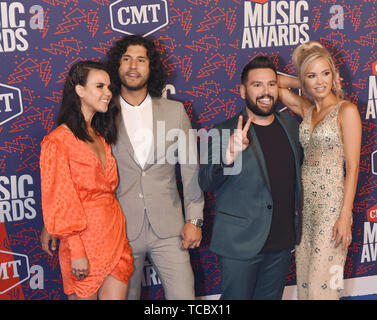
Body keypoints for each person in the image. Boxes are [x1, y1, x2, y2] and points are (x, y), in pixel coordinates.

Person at [41, 35, 204, 300]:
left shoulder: (176, 112)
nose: (133, 66)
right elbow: (73, 172)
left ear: (151, 67)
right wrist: (54, 222)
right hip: (117, 231)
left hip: (170, 229)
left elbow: (190, 171)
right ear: (117, 66)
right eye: (126, 58)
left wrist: (194, 219)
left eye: (141, 59)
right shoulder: (102, 112)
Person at [198, 56, 303, 300]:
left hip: (281, 241)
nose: (265, 92)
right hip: (240, 244)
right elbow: (205, 181)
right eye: (257, 85)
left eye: (271, 84)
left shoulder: (290, 124)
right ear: (243, 90)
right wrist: (228, 155)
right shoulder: (223, 130)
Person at [39, 61, 133, 300]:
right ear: (79, 90)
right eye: (99, 86)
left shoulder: (100, 135)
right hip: (83, 241)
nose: (108, 92)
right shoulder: (58, 141)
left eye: (109, 86)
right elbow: (61, 198)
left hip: (115, 234)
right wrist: (77, 250)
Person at [278, 41, 362, 299]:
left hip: (332, 209)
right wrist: (302, 80)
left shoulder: (346, 111)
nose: (320, 81)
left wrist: (345, 215)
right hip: (305, 209)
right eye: (312, 76)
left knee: (321, 288)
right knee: (305, 284)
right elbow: (274, 81)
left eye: (325, 73)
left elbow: (354, 166)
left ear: (334, 75)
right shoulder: (308, 110)